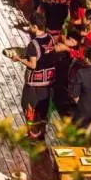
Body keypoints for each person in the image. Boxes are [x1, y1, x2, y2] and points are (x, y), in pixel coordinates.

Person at [12, 12, 56, 140]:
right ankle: (41, 133)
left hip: (35, 83)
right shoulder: (50, 38)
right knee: (42, 109)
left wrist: (19, 59)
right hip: (48, 80)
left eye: (30, 25)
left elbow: (32, 64)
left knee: (28, 106)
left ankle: (32, 134)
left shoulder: (33, 44)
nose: (29, 27)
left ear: (35, 27)